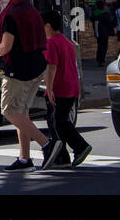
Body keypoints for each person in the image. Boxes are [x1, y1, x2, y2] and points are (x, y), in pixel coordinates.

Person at [0, 0, 51, 171]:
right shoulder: (33, 11)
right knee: (21, 112)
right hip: (37, 66)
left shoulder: (11, 14)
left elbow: (6, 46)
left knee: (9, 110)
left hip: (19, 69)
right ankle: (24, 159)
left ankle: (47, 144)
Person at [39, 9, 92, 169]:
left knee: (56, 122)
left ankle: (74, 150)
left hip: (60, 88)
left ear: (48, 26)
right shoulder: (66, 41)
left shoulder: (51, 42)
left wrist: (49, 88)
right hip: (71, 87)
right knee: (61, 121)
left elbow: (51, 67)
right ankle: (66, 155)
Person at [92, 0, 114, 66]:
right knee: (104, 46)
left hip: (98, 31)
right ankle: (102, 59)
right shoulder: (105, 13)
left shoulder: (94, 13)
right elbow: (109, 22)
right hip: (104, 32)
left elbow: (92, 21)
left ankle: (99, 59)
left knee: (99, 45)